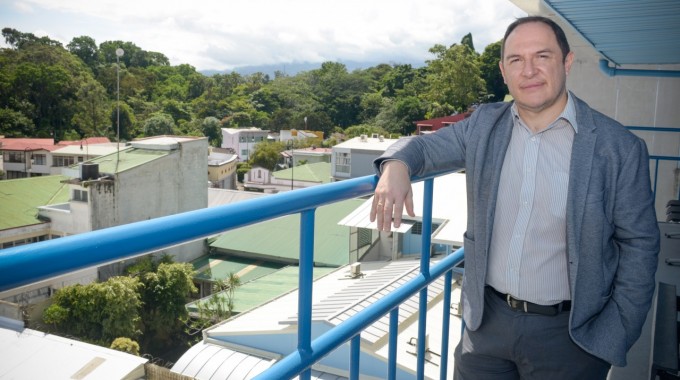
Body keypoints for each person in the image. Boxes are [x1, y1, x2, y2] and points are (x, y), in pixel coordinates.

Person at [370, 16, 660, 380]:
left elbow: (640, 245)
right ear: (503, 71)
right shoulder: (483, 126)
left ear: (567, 63)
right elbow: (423, 148)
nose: (529, 71)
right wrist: (396, 164)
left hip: (570, 338)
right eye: (516, 60)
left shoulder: (618, 147)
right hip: (486, 328)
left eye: (542, 56)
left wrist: (613, 333)